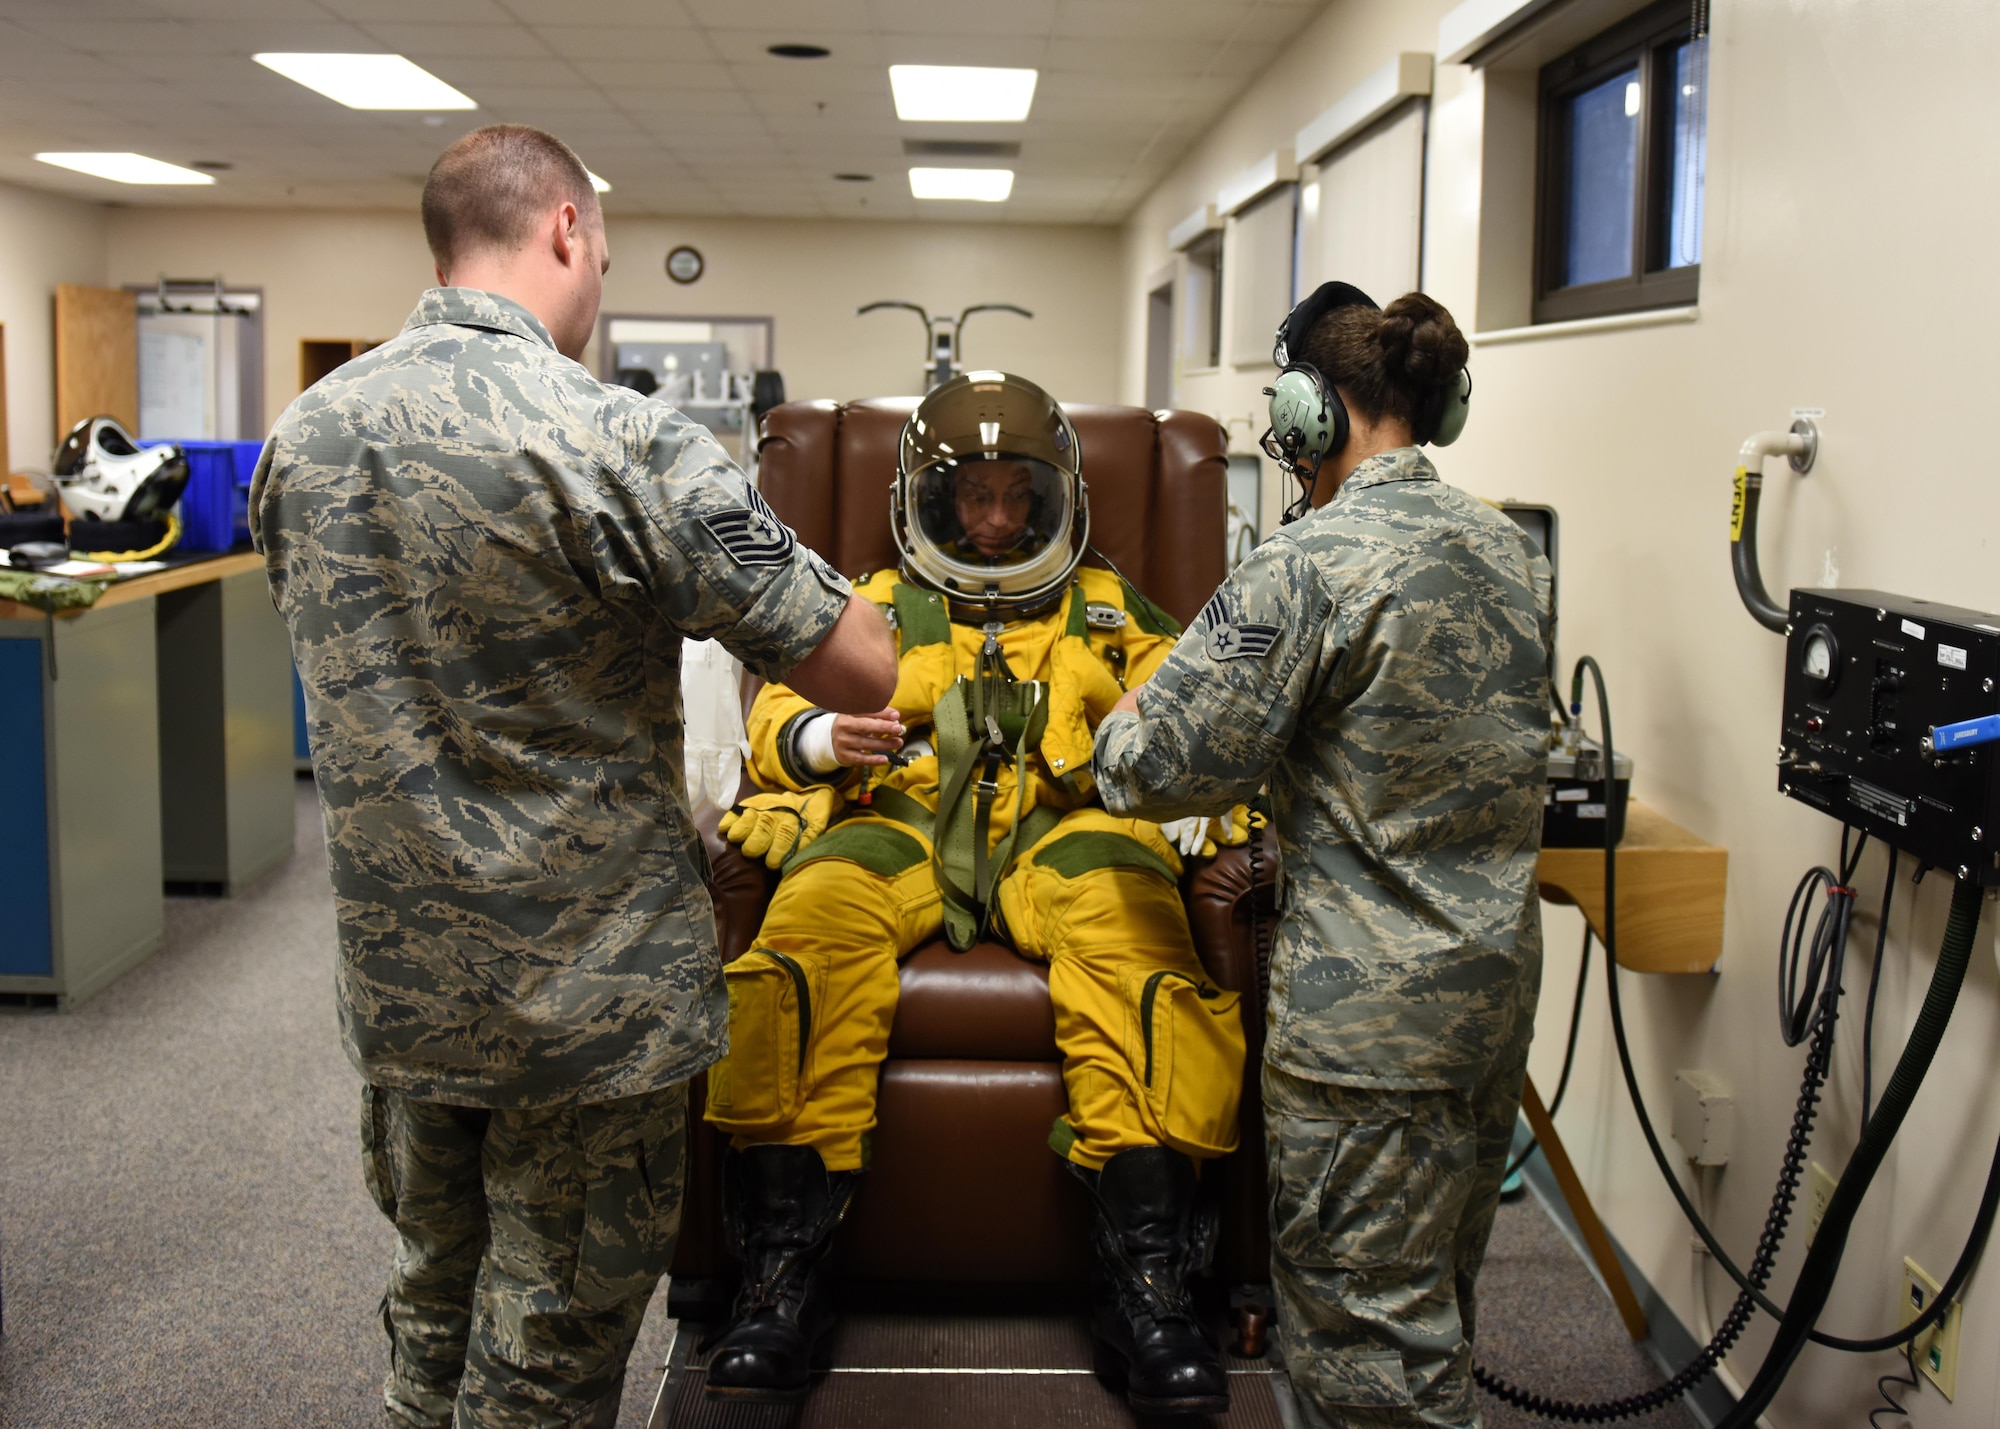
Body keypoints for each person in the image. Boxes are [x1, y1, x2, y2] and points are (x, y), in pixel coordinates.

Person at [251, 124, 895, 1429]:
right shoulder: (620, 440)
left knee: (431, 1311)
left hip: (403, 990)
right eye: (601, 246)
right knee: (545, 1357)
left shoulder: (301, 438)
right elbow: (862, 664)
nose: (598, 277)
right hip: (586, 1010)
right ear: (562, 230)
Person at [700, 371, 1249, 1416]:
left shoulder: (1101, 603)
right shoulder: (865, 600)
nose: (995, 521)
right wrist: (818, 737)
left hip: (1070, 824)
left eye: (1016, 497)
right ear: (930, 502)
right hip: (894, 821)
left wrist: (1167, 733)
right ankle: (782, 1275)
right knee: (806, 937)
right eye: (972, 497)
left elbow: (1196, 687)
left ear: (1054, 502)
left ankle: (1146, 1286)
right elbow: (774, 702)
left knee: (1139, 951)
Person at [1093, 284, 1553, 1429]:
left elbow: (1153, 769)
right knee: (1431, 1304)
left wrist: (1133, 701)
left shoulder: (1306, 564)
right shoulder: (1509, 546)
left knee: (1364, 1355)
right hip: (1485, 1005)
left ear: (1305, 412)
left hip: (1363, 1034)